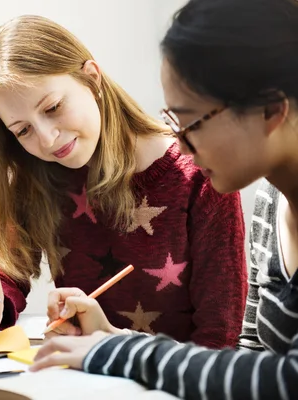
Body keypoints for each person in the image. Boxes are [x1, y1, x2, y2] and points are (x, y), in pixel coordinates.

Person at [30, 0, 298, 398]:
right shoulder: (270, 205)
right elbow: (249, 359)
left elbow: (284, 380)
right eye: (173, 121)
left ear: (271, 109)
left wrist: (122, 350)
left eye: (191, 122)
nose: (181, 148)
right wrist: (109, 334)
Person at [0, 15, 247, 349]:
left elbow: (219, 339)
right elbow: (7, 271)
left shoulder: (200, 173)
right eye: (23, 130)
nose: (47, 139)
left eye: (53, 107)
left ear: (92, 78)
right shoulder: (38, 171)